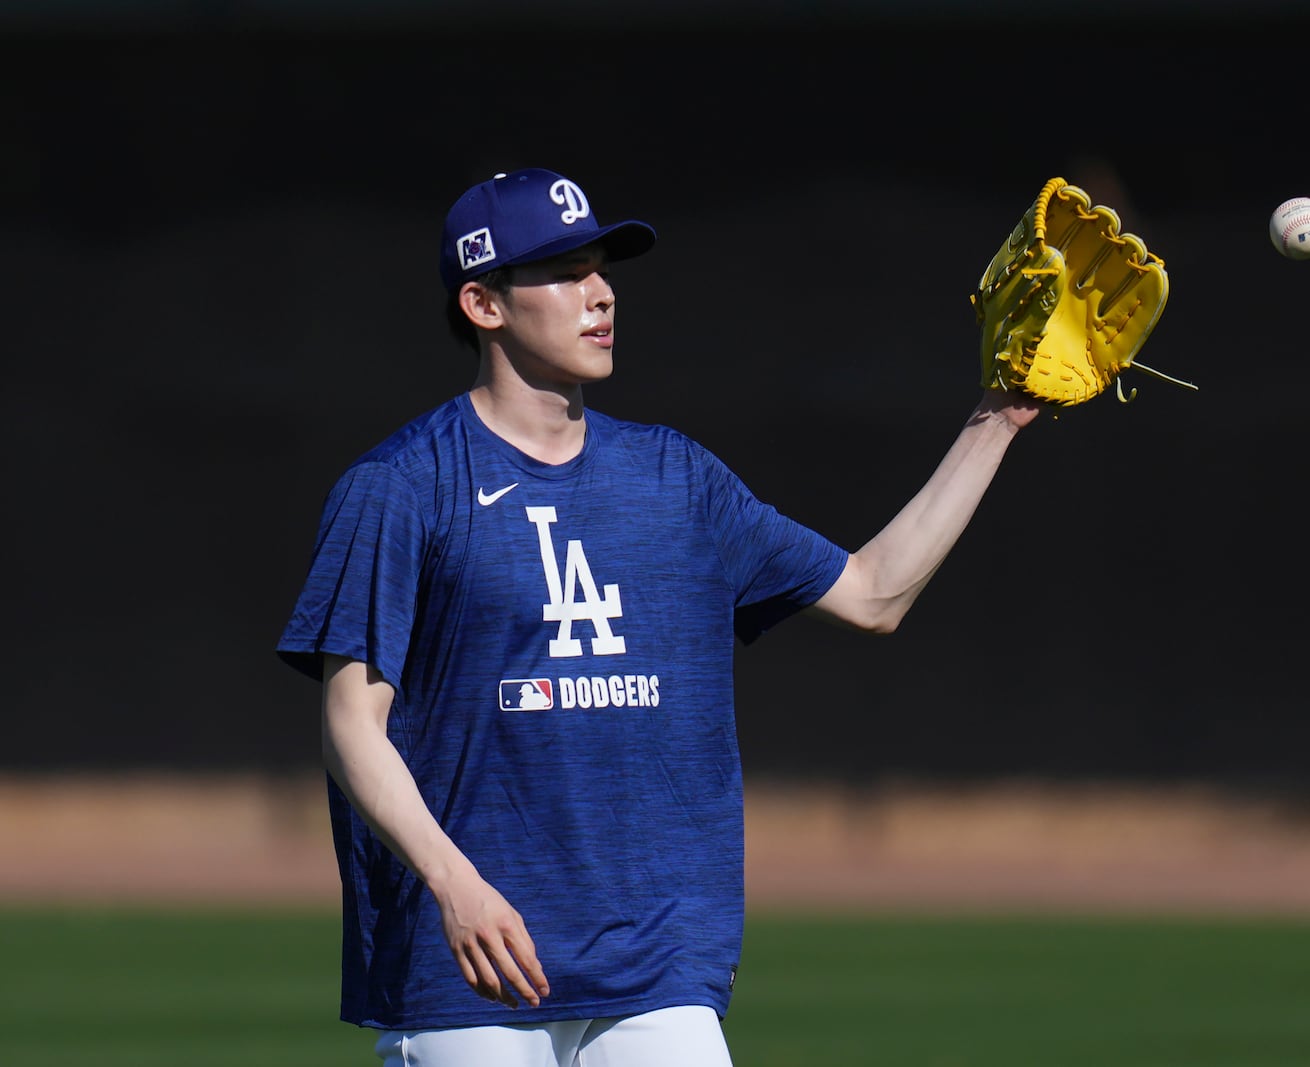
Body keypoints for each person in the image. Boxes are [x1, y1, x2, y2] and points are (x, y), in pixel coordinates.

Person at [276, 166, 1045, 1066]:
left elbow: (873, 592)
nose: (600, 292)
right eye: (563, 271)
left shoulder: (679, 480)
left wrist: (999, 417)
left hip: (657, 967)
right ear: (483, 304)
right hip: (468, 972)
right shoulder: (402, 487)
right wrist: (455, 884)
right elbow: (350, 723)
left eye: (601, 266)